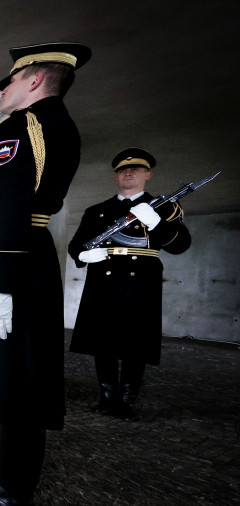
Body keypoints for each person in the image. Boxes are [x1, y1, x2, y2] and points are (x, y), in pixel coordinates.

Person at [0, 42, 91, 506]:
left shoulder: (23, 128)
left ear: (33, 80)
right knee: (15, 385)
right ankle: (10, 488)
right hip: (18, 258)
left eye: (9, 81)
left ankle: (13, 502)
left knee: (22, 387)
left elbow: (8, 202)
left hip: (10, 262)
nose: (3, 89)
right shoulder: (46, 126)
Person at [68, 148, 191, 421]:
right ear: (116, 178)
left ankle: (126, 400)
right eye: (123, 170)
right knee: (103, 340)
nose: (128, 172)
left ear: (147, 175)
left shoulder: (165, 207)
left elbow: (181, 245)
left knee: (136, 342)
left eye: (136, 169)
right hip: (103, 278)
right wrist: (83, 255)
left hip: (141, 282)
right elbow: (76, 245)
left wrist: (156, 222)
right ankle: (107, 396)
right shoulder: (97, 211)